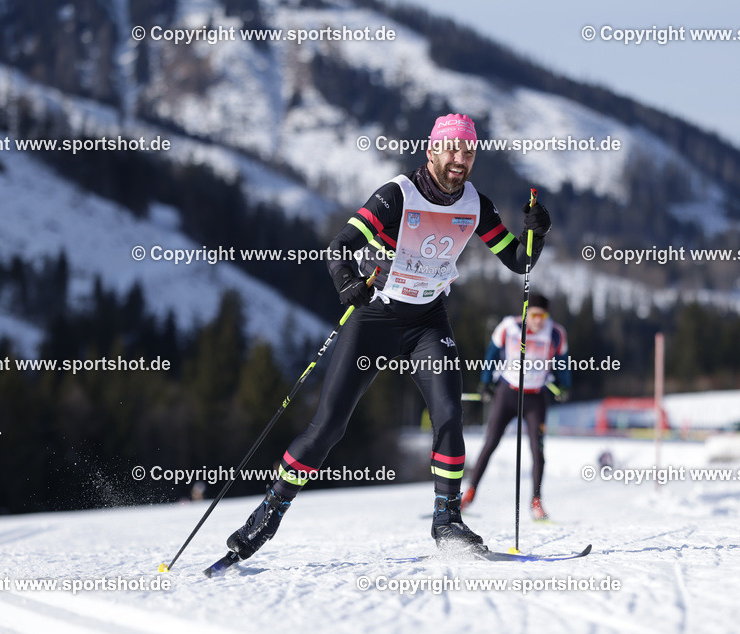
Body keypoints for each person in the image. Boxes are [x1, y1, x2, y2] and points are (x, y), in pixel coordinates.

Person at [224, 114, 552, 561]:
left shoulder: (476, 204)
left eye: (469, 152)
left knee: (450, 415)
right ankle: (268, 512)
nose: (460, 160)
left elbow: (519, 261)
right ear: (432, 151)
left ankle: (447, 521)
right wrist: (346, 284)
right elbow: (339, 246)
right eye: (452, 150)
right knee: (328, 428)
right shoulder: (397, 195)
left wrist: (537, 232)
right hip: (375, 318)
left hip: (428, 322)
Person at [461, 294, 570, 520]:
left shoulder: (556, 333)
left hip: (535, 398)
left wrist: (564, 385)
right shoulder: (509, 327)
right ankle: (469, 494)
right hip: (507, 394)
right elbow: (491, 355)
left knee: (537, 450)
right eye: (534, 315)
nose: (538, 320)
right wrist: (485, 382)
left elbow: (562, 362)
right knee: (490, 443)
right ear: (526, 314)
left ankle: (536, 502)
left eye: (543, 315)